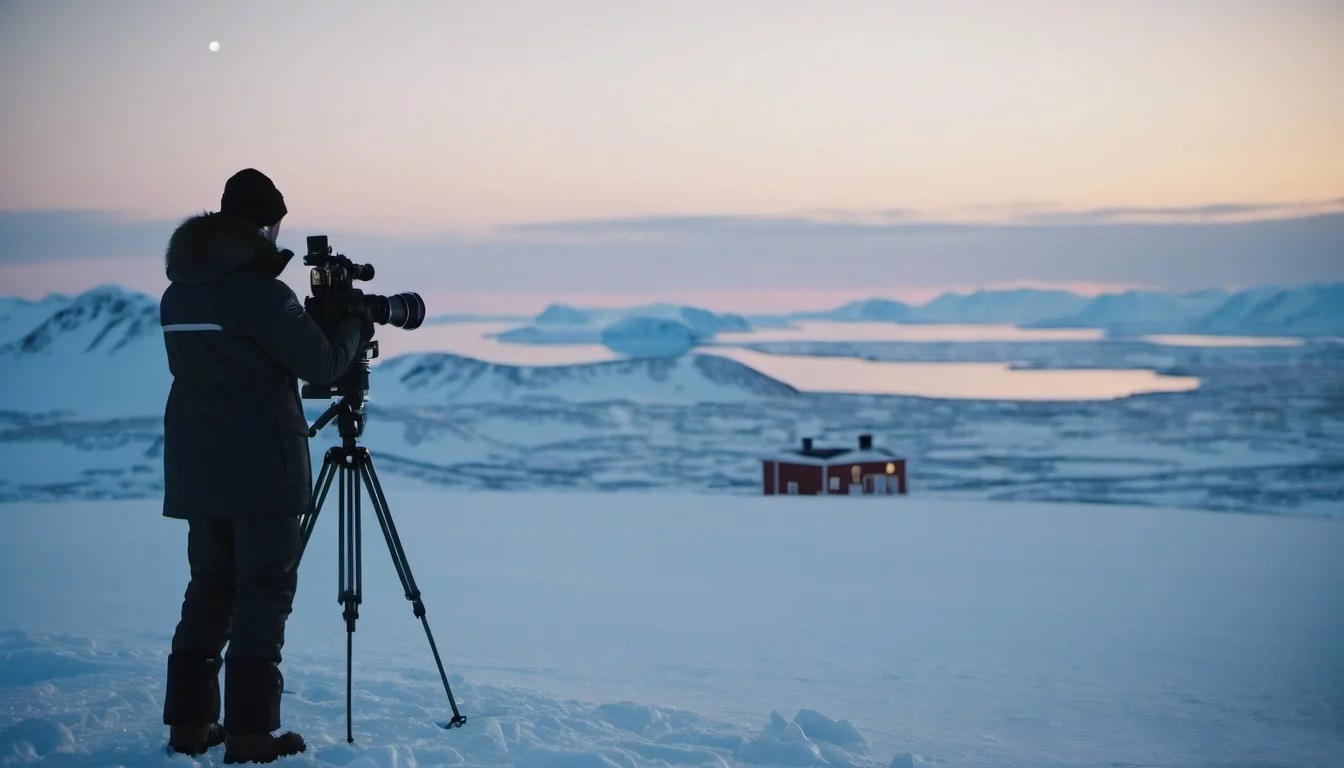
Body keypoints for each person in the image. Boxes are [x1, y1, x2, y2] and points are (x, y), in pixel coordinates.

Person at [159, 169, 373, 761]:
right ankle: (252, 736)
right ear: (264, 225)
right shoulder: (259, 292)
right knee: (263, 594)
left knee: (209, 590)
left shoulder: (180, 292)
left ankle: (190, 727)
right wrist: (353, 320)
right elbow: (324, 364)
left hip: (199, 468)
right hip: (262, 471)